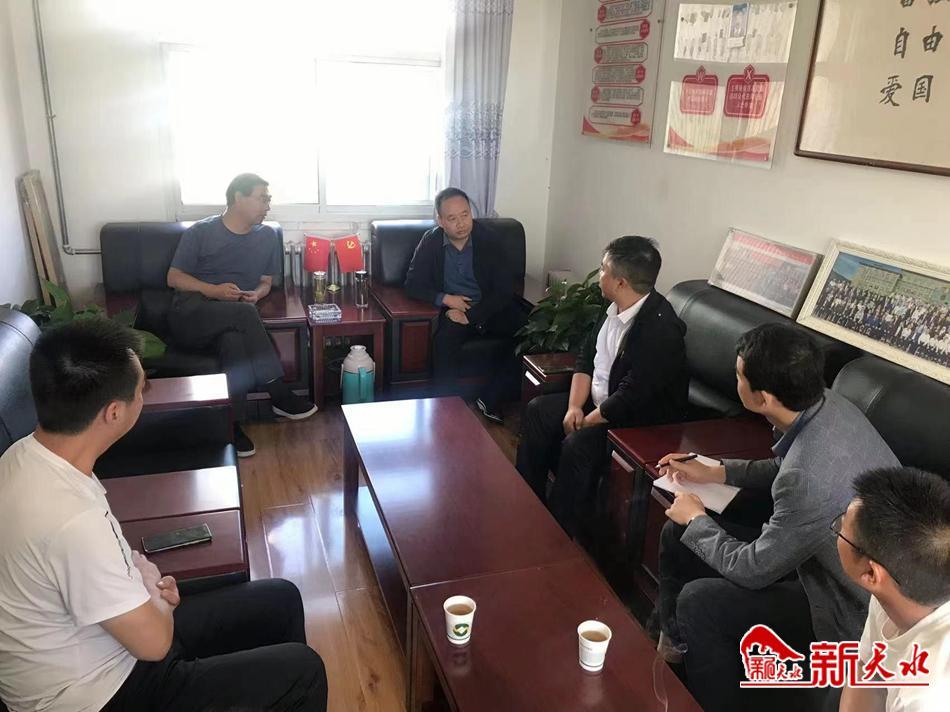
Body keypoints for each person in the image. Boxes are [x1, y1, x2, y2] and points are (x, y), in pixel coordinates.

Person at [0, 320, 328, 712]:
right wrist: (155, 595)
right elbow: (155, 644)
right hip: (99, 692)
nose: (145, 396)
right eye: (142, 389)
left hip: (109, 641)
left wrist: (145, 586)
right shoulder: (69, 519)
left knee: (281, 600)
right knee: (303, 672)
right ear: (114, 412)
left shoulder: (26, 457)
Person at [654, 323, 899, 712]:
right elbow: (788, 464)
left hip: (846, 613)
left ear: (762, 397)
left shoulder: (808, 479)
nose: (734, 379)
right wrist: (718, 471)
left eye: (738, 375)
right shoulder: (828, 404)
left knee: (698, 601)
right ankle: (676, 643)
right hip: (824, 563)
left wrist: (697, 518)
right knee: (676, 535)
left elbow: (753, 570)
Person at [516, 235, 689, 537]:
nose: (599, 275)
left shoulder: (661, 331)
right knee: (539, 411)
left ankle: (558, 533)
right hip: (600, 401)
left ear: (621, 282)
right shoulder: (612, 306)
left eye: (603, 269)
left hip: (634, 420)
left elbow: (629, 397)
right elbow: (586, 357)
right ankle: (527, 499)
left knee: (578, 445)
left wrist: (585, 422)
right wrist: (574, 407)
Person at [167, 173, 317, 458]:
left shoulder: (267, 236)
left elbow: (266, 281)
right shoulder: (201, 232)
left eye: (269, 200)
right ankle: (278, 393)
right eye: (262, 199)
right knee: (244, 315)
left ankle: (231, 426)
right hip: (192, 315)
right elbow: (173, 278)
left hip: (236, 315)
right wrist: (213, 290)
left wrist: (257, 294)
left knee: (234, 341)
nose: (268, 206)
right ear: (238, 197)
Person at [404, 187, 527, 423]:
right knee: (443, 343)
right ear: (440, 221)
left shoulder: (490, 239)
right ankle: (445, 411)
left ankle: (490, 398)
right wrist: (446, 299)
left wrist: (472, 316)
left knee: (530, 336)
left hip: (490, 308)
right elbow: (412, 284)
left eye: (465, 215)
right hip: (454, 309)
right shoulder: (431, 242)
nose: (461, 224)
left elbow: (504, 290)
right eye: (452, 218)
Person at [837, 467, 949, 712]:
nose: (839, 527)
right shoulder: (898, 588)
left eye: (841, 527)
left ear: (871, 573)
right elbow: (868, 668)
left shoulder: (926, 698)